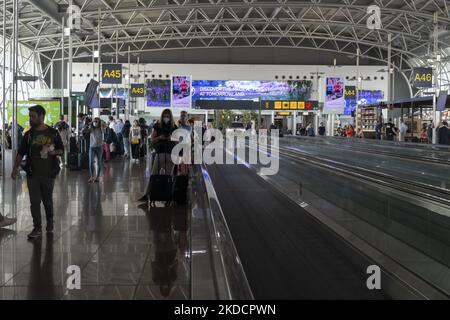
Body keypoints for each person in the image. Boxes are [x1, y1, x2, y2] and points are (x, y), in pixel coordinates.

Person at [11, 105, 64, 239]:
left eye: (33, 117)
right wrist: (15, 168)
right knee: (34, 202)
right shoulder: (29, 134)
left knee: (47, 201)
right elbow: (21, 152)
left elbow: (62, 150)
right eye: (30, 116)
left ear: (41, 117)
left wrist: (53, 152)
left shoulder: (53, 133)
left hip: (48, 174)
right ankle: (37, 228)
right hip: (32, 173)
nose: (30, 119)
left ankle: (50, 223)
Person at [83, 117, 105, 183]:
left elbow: (105, 128)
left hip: (99, 147)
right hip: (92, 147)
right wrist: (90, 123)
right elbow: (84, 131)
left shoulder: (101, 128)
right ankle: (92, 177)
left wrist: (100, 123)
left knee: (99, 163)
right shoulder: (91, 129)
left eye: (97, 121)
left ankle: (97, 177)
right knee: (90, 162)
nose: (96, 122)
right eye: (95, 121)